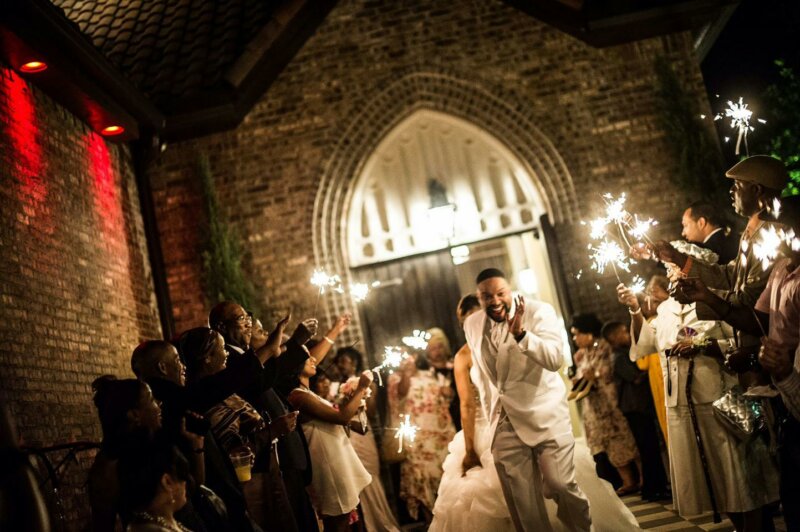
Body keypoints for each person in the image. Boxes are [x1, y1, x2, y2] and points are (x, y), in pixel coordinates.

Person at [431, 295, 639, 532]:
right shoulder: (464, 356)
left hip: (530, 420)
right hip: (487, 430)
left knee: (559, 484)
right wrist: (470, 450)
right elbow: (467, 404)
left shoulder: (509, 339)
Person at [620, 260, 780, 530]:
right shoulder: (665, 310)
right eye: (670, 274)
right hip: (685, 406)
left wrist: (703, 345)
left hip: (719, 400)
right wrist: (635, 310)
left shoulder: (715, 301)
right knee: (717, 481)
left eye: (677, 271)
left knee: (739, 477)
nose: (673, 278)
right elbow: (645, 345)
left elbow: (741, 342)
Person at [679, 195, 800, 529]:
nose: (775, 236)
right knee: (790, 491)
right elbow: (752, 317)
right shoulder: (779, 270)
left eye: (784, 229)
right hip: (783, 387)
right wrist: (705, 296)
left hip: (790, 377)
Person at [463, 268, 590, 532]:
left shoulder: (539, 311)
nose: (495, 301)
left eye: (500, 293)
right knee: (523, 506)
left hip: (544, 415)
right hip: (504, 423)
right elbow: (487, 379)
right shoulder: (472, 324)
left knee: (560, 485)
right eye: (487, 297)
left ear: (510, 290)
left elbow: (555, 359)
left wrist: (522, 335)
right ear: (479, 297)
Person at [131, 340, 262, 532]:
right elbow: (216, 387)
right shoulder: (174, 401)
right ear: (162, 367)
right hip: (191, 510)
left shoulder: (175, 402)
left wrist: (199, 444)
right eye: (177, 360)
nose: (183, 367)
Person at [178, 327, 296, 532]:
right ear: (206, 358)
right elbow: (232, 454)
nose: (226, 354)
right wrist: (272, 431)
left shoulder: (223, 390)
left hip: (267, 477)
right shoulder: (207, 401)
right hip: (249, 489)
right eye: (222, 349)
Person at [287, 357, 373, 531]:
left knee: (345, 521)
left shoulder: (309, 393)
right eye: (305, 356)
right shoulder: (298, 395)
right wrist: (362, 387)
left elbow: (360, 427)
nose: (312, 359)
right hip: (328, 467)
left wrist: (359, 400)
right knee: (337, 524)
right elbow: (341, 417)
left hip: (337, 462)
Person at [331, 345, 400, 532]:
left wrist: (361, 392)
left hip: (362, 432)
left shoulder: (367, 382)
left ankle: (380, 524)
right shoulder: (333, 386)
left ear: (355, 363)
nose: (344, 365)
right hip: (344, 434)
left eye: (348, 361)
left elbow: (371, 410)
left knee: (370, 476)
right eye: (341, 361)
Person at [570, 314, 640, 496]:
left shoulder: (603, 347)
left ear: (588, 333)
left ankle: (642, 479)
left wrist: (595, 376)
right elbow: (581, 375)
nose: (574, 339)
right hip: (594, 407)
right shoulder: (581, 354)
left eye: (577, 334)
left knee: (625, 439)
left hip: (611, 403)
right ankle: (627, 481)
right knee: (607, 444)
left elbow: (608, 371)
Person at [389, 344, 456, 523]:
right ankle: (432, 524)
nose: (405, 358)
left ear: (416, 356)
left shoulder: (429, 374)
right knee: (422, 483)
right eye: (400, 355)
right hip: (417, 440)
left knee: (446, 480)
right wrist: (406, 374)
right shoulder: (395, 378)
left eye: (407, 355)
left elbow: (445, 399)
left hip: (440, 435)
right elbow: (401, 395)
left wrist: (447, 393)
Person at [602, 321, 669, 501]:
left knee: (650, 447)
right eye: (624, 332)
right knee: (647, 449)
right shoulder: (619, 357)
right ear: (614, 337)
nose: (627, 335)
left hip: (639, 407)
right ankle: (652, 489)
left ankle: (657, 486)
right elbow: (635, 378)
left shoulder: (623, 354)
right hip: (634, 408)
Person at [117, 442, 193, 532]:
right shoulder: (152, 529)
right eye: (183, 477)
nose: (186, 484)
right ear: (167, 482)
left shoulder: (154, 523)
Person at [633, 277, 670, 445]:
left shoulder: (672, 316)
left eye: (655, 291)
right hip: (659, 385)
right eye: (649, 293)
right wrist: (634, 312)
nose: (650, 298)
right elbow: (642, 362)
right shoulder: (649, 324)